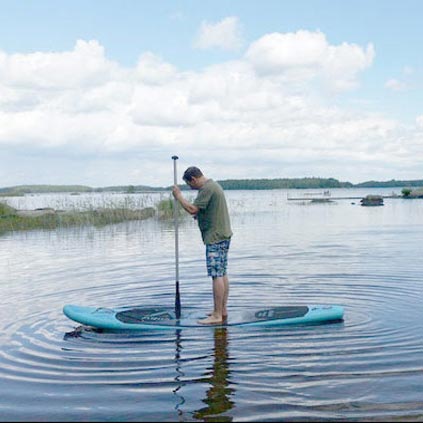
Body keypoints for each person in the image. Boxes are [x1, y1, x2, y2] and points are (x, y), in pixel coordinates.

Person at [172, 166, 233, 325]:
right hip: (222, 234)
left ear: (194, 179)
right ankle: (222, 310)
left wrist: (179, 196)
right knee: (222, 272)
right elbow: (203, 210)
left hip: (215, 237)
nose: (191, 188)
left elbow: (192, 209)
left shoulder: (207, 188)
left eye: (190, 185)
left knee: (216, 274)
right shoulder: (212, 186)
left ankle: (217, 315)